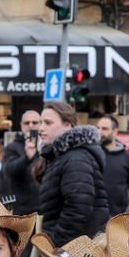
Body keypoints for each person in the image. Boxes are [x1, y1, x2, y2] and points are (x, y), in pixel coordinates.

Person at [37, 102, 109, 244]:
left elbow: (78, 207)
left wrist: (56, 243)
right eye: (41, 122)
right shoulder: (61, 157)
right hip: (71, 246)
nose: (41, 128)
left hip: (74, 249)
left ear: (67, 125)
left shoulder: (75, 157)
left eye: (48, 123)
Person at [97, 115, 129, 218]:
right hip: (92, 217)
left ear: (114, 132)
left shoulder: (128, 158)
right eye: (98, 128)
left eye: (104, 129)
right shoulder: (92, 155)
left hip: (117, 216)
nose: (99, 132)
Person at [3, 110, 43, 216]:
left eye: (35, 122)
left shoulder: (47, 145)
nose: (31, 125)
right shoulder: (12, 147)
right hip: (24, 209)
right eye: (27, 123)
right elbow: (9, 170)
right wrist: (26, 158)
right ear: (21, 125)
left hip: (46, 206)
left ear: (41, 124)